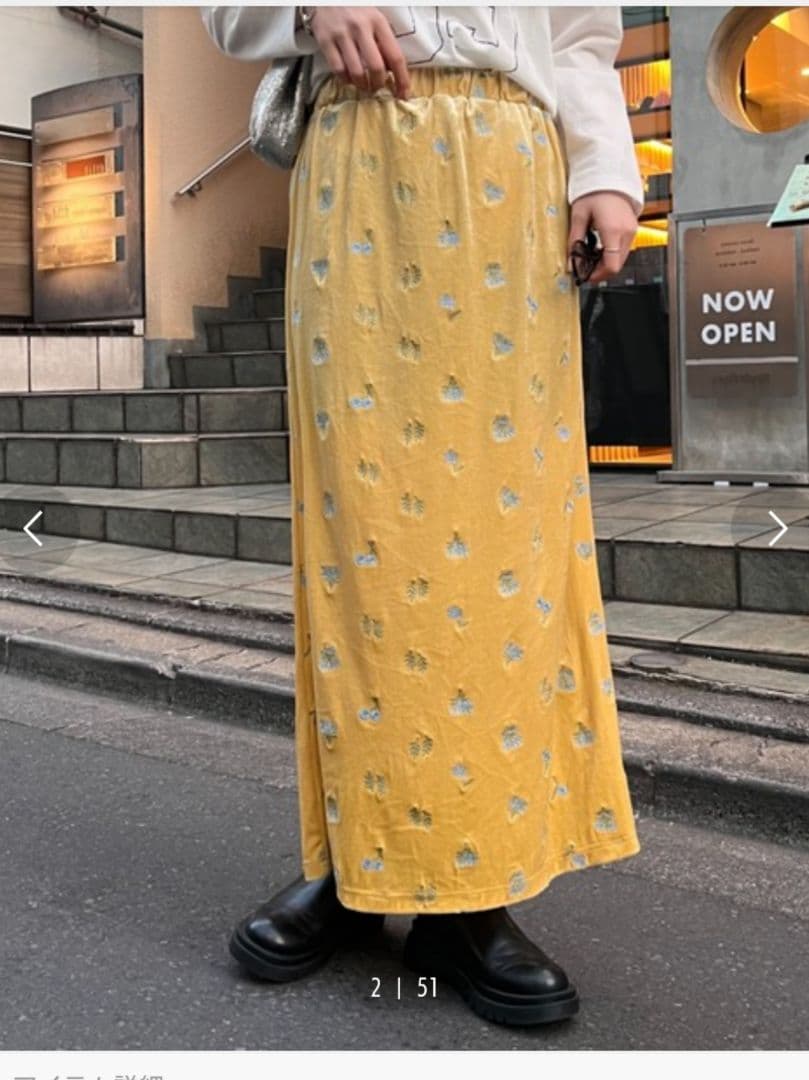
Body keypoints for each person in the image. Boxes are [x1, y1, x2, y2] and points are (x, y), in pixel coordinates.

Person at [201, 4, 644, 1028]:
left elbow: (578, 32)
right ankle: (361, 864)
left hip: (512, 174)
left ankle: (470, 890)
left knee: (502, 545)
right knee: (361, 537)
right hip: (357, 150)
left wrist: (603, 168)